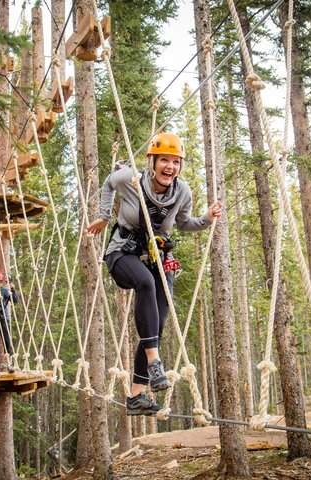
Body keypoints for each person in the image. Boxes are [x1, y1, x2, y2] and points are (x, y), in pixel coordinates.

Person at [87, 132, 222, 416]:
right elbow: (110, 182)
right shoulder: (132, 179)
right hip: (122, 253)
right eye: (164, 160)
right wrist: (104, 215)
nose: (169, 167)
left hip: (157, 258)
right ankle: (154, 362)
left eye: (175, 162)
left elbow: (185, 223)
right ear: (153, 162)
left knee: (156, 323)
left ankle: (137, 395)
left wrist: (207, 219)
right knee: (145, 284)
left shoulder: (182, 191)